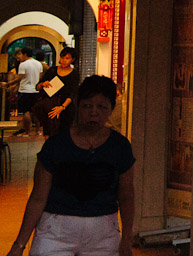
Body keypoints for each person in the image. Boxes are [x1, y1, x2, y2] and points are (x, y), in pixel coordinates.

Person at [6, 75, 136, 256]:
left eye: (101, 107)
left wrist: (127, 238)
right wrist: (19, 245)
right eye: (87, 106)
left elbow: (127, 195)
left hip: (103, 233)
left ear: (111, 109)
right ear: (78, 106)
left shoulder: (120, 147)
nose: (93, 112)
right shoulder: (56, 145)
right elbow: (38, 198)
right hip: (55, 231)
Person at [31, 47, 79, 138]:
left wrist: (62, 107)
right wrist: (42, 84)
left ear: (73, 59)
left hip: (65, 107)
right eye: (62, 57)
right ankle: (49, 150)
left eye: (67, 58)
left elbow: (72, 93)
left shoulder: (74, 74)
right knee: (48, 132)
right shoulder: (52, 70)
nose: (64, 60)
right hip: (49, 104)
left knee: (62, 133)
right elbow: (37, 87)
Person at [13, 47, 44, 136]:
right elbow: (40, 77)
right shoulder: (38, 64)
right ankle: (38, 131)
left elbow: (19, 78)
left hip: (25, 90)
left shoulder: (23, 64)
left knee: (25, 111)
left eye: (21, 54)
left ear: (25, 54)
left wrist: (8, 84)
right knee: (34, 111)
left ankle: (28, 131)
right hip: (35, 91)